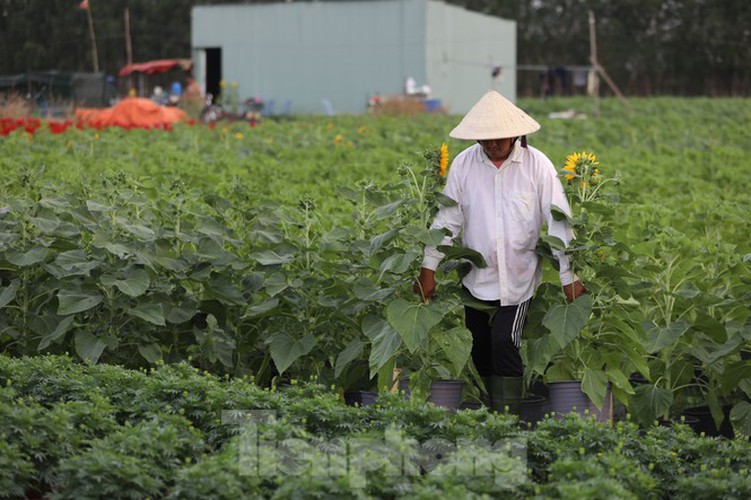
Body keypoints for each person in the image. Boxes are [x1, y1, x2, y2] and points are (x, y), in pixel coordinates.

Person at [414, 90, 586, 414]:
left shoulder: (537, 166)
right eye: (484, 140)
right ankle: (491, 414)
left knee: (504, 343)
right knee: (478, 349)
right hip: (476, 277)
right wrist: (428, 268)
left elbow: (560, 220)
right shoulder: (465, 165)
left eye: (498, 139)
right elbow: (448, 219)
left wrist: (569, 275)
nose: (491, 145)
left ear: (515, 135)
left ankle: (510, 421)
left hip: (519, 278)